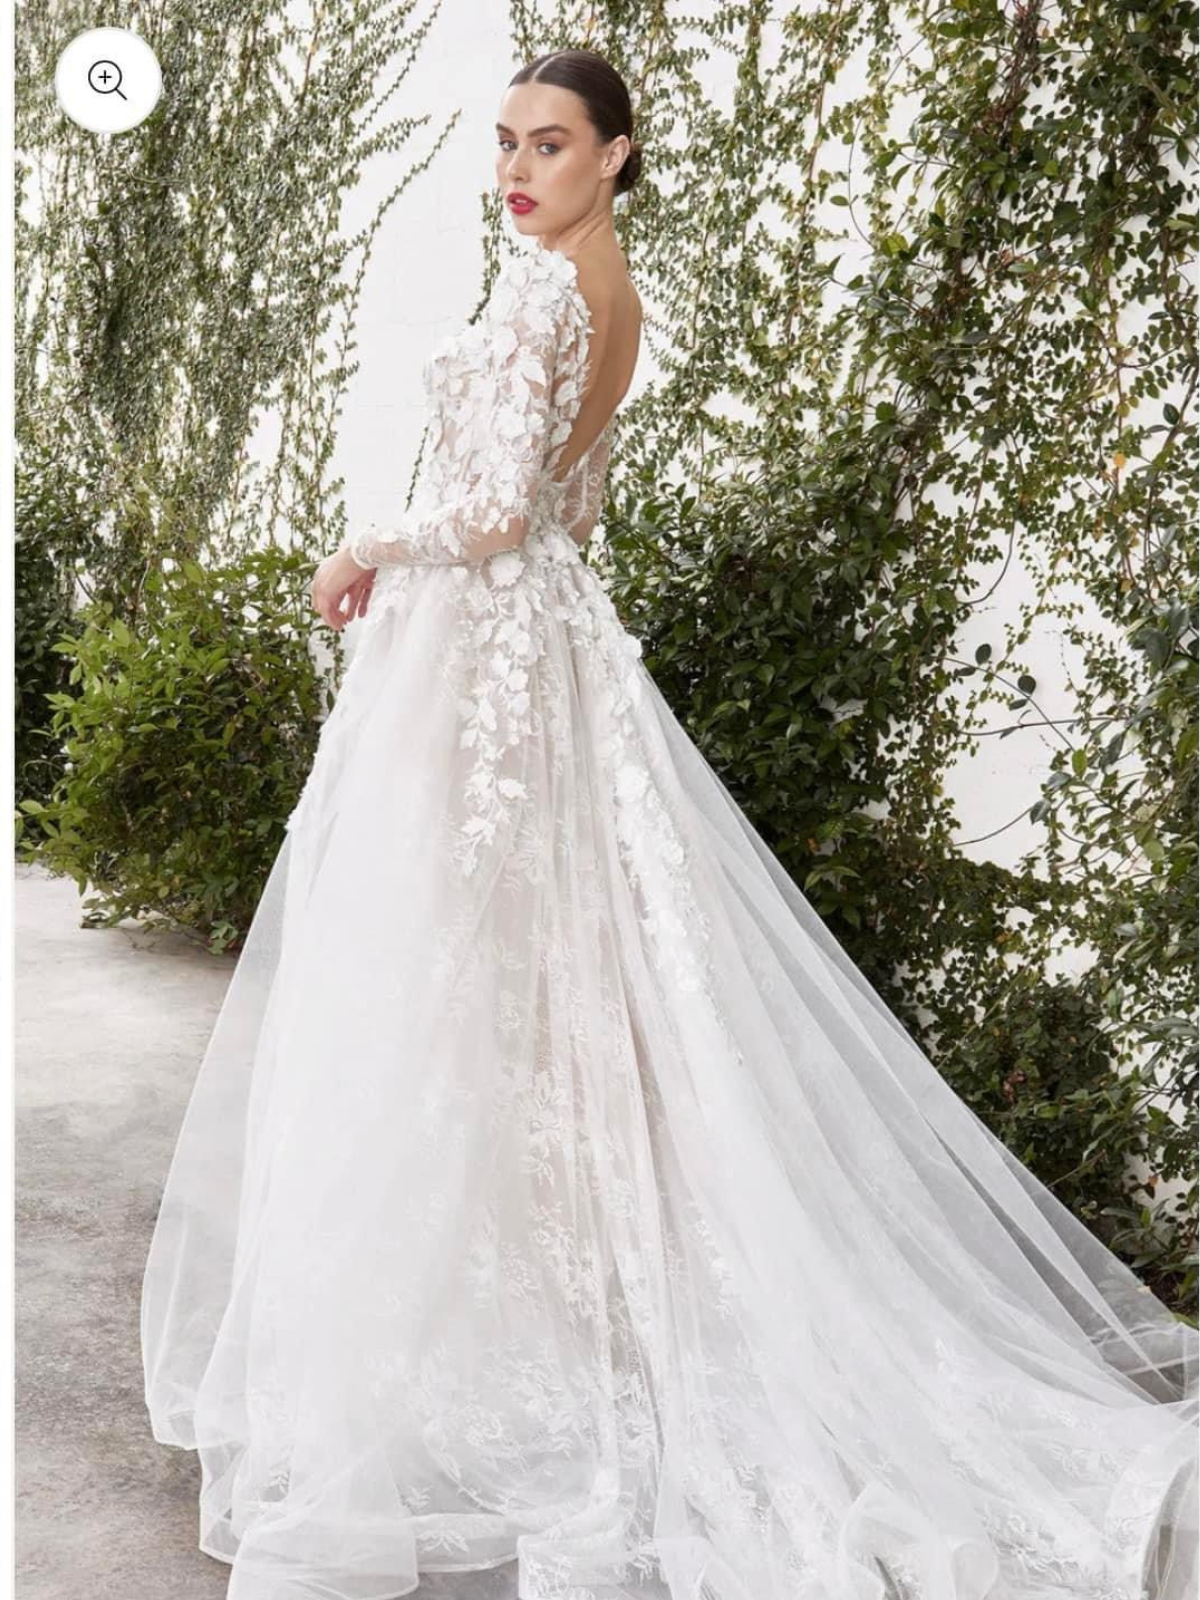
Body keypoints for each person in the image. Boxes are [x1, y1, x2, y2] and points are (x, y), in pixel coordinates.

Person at [140, 46, 1198, 1600]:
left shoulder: (547, 297)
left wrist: (362, 544)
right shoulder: (611, 293)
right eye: (506, 142)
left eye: (551, 144)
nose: (518, 170)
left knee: (454, 983)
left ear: (618, 154)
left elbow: (494, 513)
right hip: (538, 648)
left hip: (486, 661)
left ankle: (479, 1326)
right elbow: (568, 508)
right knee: (538, 984)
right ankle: (553, 1295)